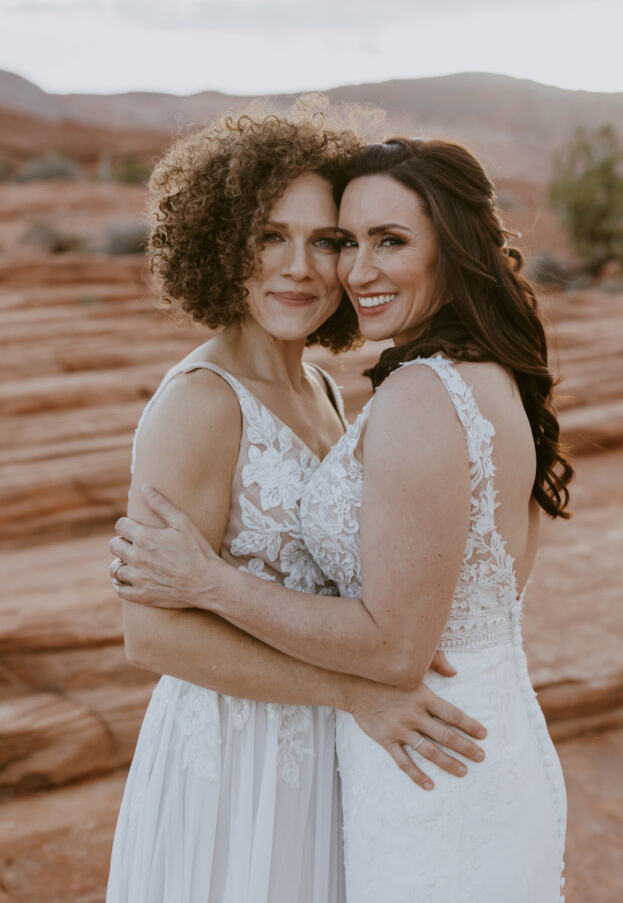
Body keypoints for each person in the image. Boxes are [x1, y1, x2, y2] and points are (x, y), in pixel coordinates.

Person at [107, 120, 489, 903]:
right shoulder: (199, 404)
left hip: (332, 737)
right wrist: (351, 692)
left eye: (327, 241)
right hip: (235, 753)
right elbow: (149, 633)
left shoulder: (319, 385)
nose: (300, 268)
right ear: (218, 242)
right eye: (270, 236)